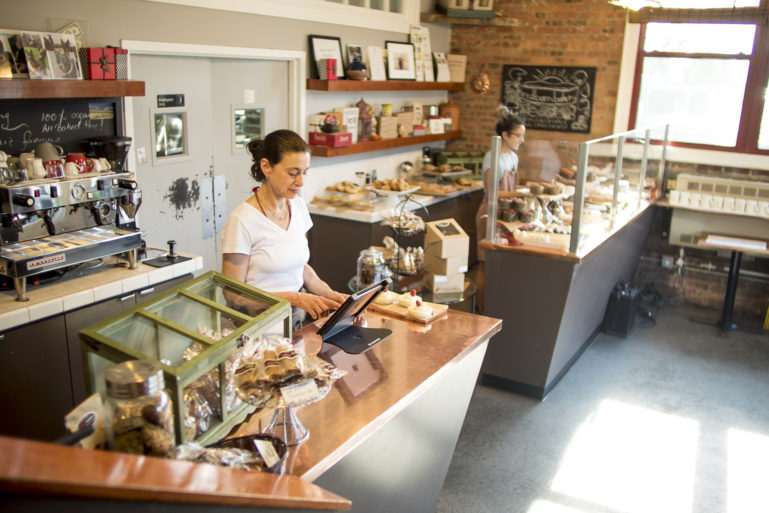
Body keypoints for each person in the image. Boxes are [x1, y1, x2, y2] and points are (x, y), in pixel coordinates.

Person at [221, 129, 347, 328]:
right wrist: (294, 299)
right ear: (266, 167)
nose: (301, 182)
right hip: (256, 328)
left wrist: (330, 294)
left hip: (293, 323)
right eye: (292, 173)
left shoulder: (297, 206)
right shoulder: (242, 220)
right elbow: (233, 294)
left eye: (304, 173)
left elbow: (299, 267)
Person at [474, 106, 526, 312]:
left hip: (506, 215)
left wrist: (524, 192)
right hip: (490, 213)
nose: (522, 139)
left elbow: (511, 188)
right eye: (518, 135)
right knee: (485, 264)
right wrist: (524, 193)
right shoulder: (492, 158)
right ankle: (480, 310)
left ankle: (496, 308)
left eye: (523, 135)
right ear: (504, 135)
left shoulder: (513, 157)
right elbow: (492, 192)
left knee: (503, 263)